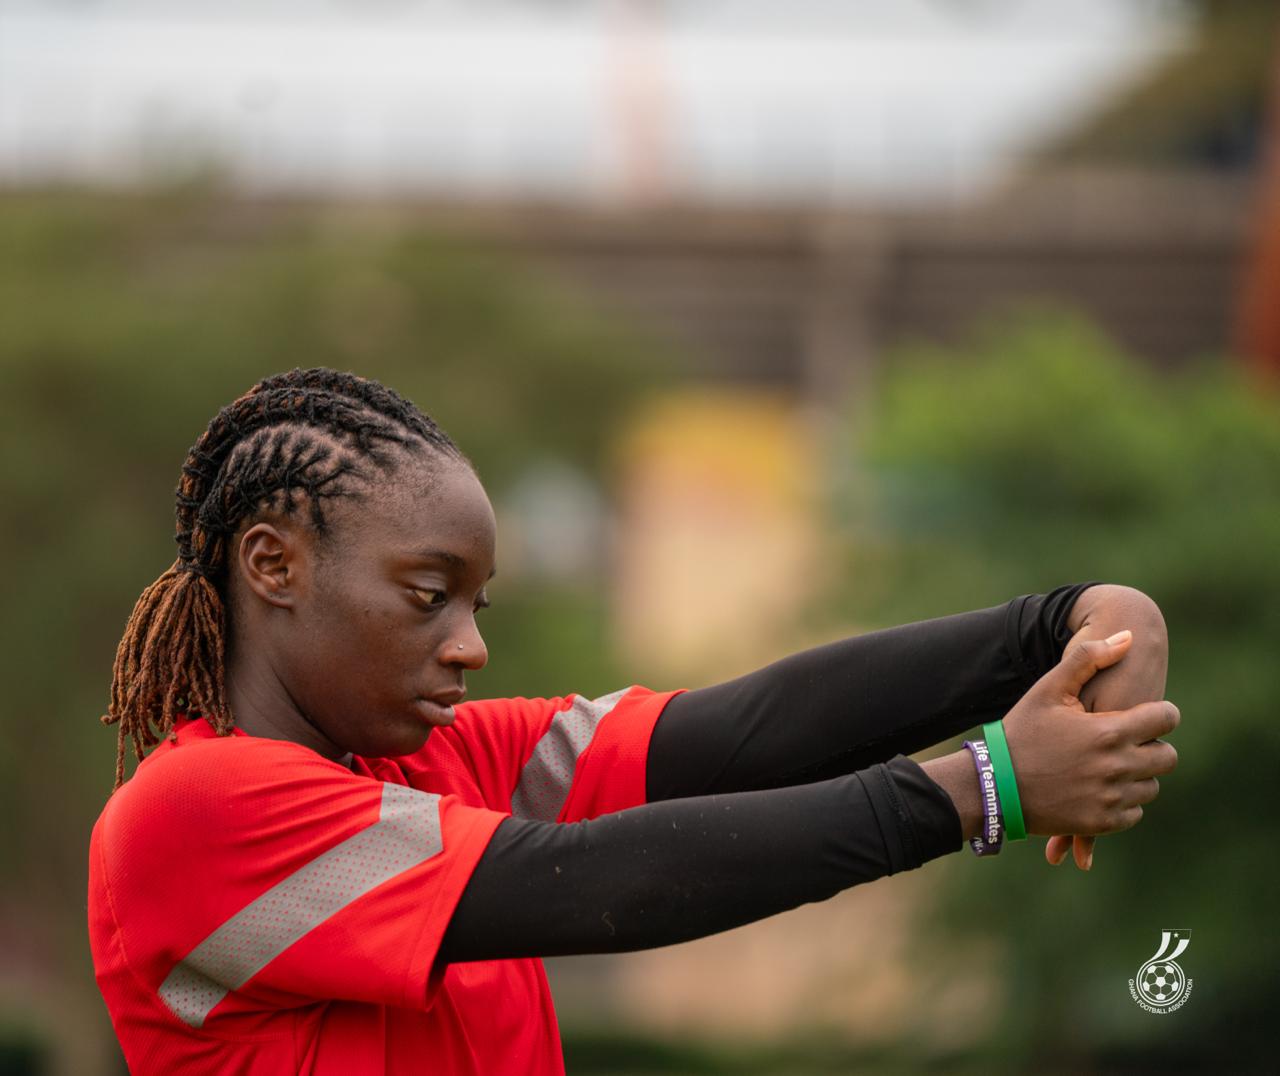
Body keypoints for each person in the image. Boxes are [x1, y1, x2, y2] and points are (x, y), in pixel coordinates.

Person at [88, 368, 1179, 1075]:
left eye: (476, 606)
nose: (469, 645)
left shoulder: (433, 763)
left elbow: (742, 734)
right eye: (428, 594)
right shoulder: (192, 812)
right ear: (273, 564)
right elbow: (601, 881)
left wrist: (1057, 626)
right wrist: (989, 786)